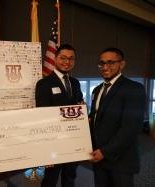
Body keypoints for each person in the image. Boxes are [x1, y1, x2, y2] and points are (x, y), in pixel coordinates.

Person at [89, 47, 145, 187]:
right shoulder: (97, 90)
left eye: (110, 62)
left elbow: (131, 128)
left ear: (122, 64)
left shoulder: (134, 88)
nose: (105, 67)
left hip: (120, 161)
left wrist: (105, 152)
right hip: (99, 159)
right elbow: (96, 118)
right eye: (102, 63)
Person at [35, 44, 83, 187]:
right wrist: (46, 147)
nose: (67, 62)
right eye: (63, 58)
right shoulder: (44, 83)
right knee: (50, 179)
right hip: (54, 141)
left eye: (71, 59)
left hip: (73, 139)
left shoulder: (75, 82)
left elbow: (79, 104)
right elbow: (43, 116)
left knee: (70, 177)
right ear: (55, 59)